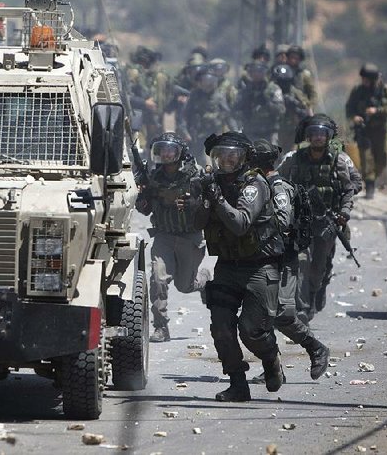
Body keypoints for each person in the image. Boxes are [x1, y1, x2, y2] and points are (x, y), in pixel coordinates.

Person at [197, 131, 285, 402]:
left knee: (252, 332)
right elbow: (196, 223)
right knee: (221, 327)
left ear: (244, 158)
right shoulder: (214, 183)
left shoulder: (253, 184)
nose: (226, 161)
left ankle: (271, 359)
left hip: (259, 266)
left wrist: (217, 199)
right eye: (220, 155)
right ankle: (238, 384)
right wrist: (196, 198)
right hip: (227, 265)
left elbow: (240, 224)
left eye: (232, 155)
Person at [249, 139, 330, 382]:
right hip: (263, 258)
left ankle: (316, 349)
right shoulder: (259, 184)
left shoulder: (278, 187)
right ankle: (273, 367)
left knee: (282, 313)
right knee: (261, 315)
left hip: (283, 258)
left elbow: (282, 221)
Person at [277, 114, 356, 321]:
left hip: (327, 223)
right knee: (301, 262)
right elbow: (277, 180)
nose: (318, 138)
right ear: (308, 137)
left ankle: (315, 292)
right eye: (314, 134)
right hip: (302, 221)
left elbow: (349, 189)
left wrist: (344, 212)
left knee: (319, 267)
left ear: (328, 137)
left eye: (322, 134)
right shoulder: (294, 158)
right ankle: (302, 307)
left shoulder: (338, 160)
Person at [135, 132, 210, 342]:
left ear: (180, 153)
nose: (166, 155)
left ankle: (204, 281)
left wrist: (193, 203)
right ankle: (161, 327)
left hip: (190, 238)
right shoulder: (153, 177)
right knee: (158, 279)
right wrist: (140, 197)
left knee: (184, 286)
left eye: (171, 151)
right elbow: (146, 209)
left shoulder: (195, 176)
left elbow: (209, 205)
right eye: (162, 150)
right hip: (164, 237)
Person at [344, 63, 387, 199]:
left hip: (380, 131)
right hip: (363, 130)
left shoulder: (385, 90)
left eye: (367, 80)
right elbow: (349, 108)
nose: (364, 82)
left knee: (382, 160)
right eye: (363, 79)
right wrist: (355, 117)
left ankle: (372, 180)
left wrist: (377, 111)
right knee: (366, 160)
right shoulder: (358, 90)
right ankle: (369, 187)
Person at [178, 67, 232, 163]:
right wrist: (185, 132)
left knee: (217, 160)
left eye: (211, 81)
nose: (209, 84)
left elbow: (228, 115)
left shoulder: (219, 96)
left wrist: (235, 132)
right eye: (206, 81)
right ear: (200, 82)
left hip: (215, 133)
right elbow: (183, 115)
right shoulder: (194, 95)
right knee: (198, 160)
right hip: (197, 134)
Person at [125, 46, 170, 155]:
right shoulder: (133, 73)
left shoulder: (152, 77)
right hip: (136, 119)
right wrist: (144, 103)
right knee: (139, 150)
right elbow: (126, 97)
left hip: (151, 119)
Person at [233, 62, 285, 145]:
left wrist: (267, 103)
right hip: (250, 132)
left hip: (269, 132)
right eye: (253, 72)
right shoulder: (245, 91)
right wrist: (244, 112)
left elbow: (281, 110)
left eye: (259, 72)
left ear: (264, 73)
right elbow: (234, 112)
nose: (256, 74)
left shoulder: (273, 89)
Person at [271, 63, 311, 152]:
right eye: (280, 82)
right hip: (274, 129)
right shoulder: (271, 91)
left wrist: (295, 105)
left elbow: (305, 107)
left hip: (291, 130)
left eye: (285, 82)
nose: (282, 85)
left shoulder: (295, 92)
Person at [285, 45, 318, 113]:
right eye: (291, 57)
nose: (293, 60)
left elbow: (312, 94)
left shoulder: (304, 74)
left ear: (300, 60)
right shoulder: (281, 71)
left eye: (296, 58)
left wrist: (310, 106)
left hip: (300, 108)